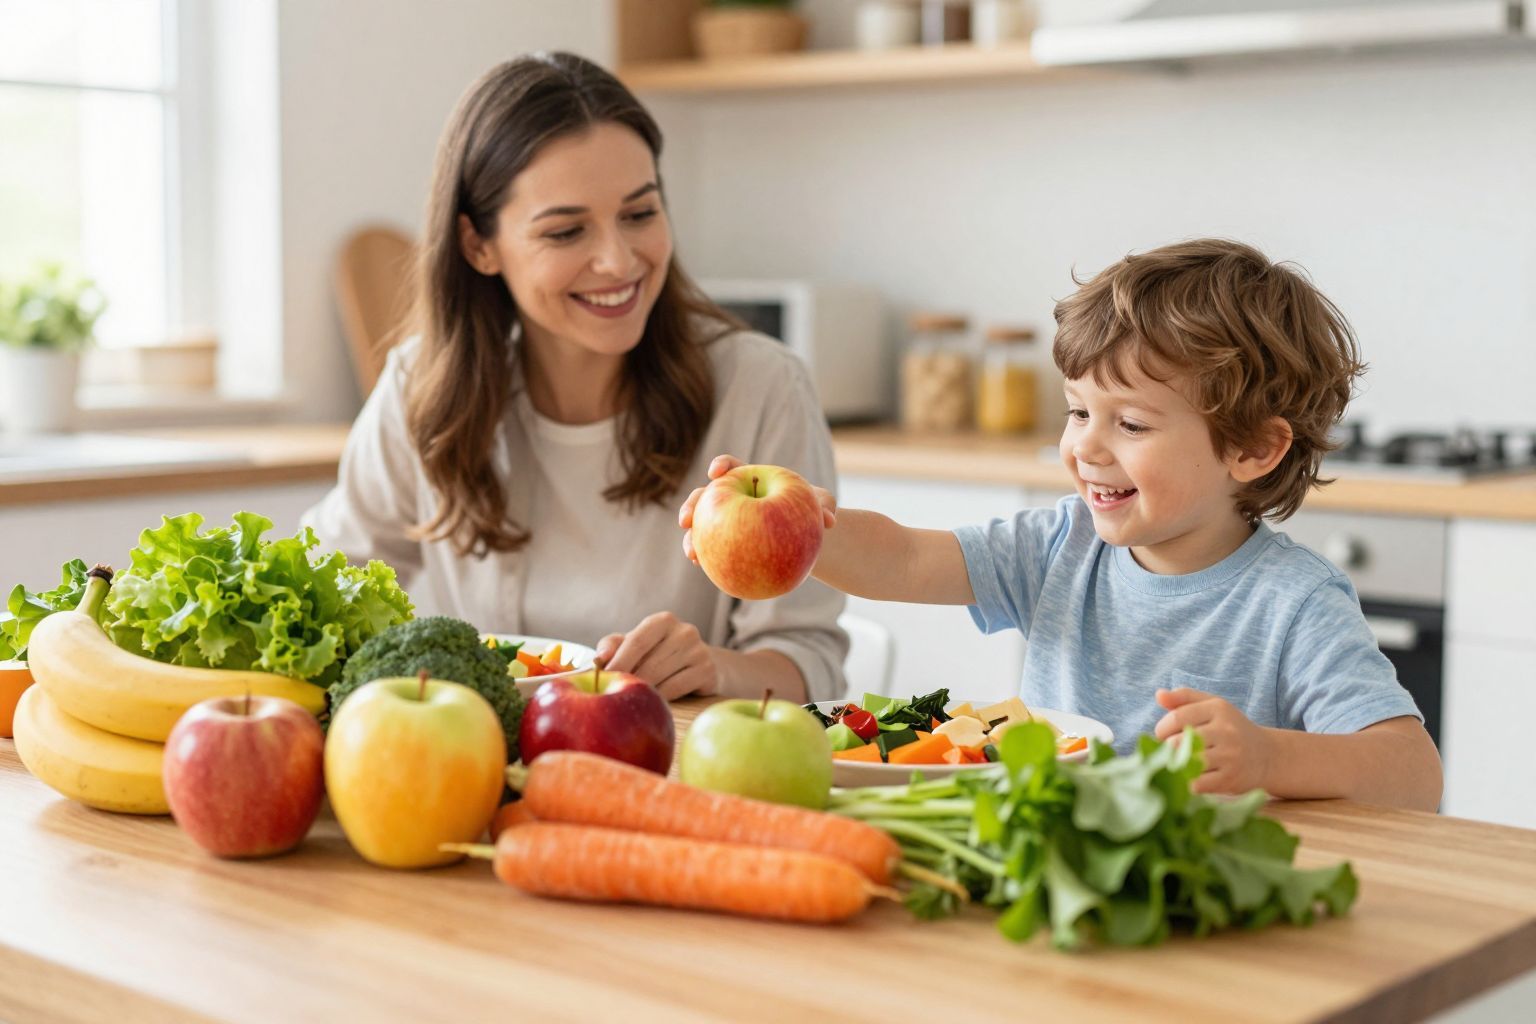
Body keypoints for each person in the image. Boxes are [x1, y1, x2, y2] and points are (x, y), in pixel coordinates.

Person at [681, 239, 1443, 810]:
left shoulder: (1297, 602)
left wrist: (1273, 760)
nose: (1083, 447)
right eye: (1079, 411)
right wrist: (805, 524)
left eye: (1132, 424)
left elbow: (1413, 772)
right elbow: (906, 560)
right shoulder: (1060, 544)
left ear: (1253, 448)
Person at [306, 52, 847, 704]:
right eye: (565, 231)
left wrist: (714, 669)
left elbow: (807, 658)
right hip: (469, 774)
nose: (618, 261)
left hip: (670, 774)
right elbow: (324, 595)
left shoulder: (761, 389)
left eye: (640, 214)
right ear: (478, 245)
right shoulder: (419, 389)